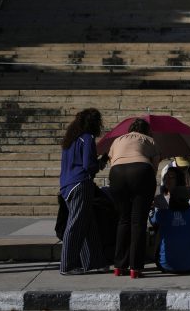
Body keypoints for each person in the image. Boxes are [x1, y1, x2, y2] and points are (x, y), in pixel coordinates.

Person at [107, 118, 161, 278]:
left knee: (123, 220)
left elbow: (112, 160)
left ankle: (119, 266)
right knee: (138, 221)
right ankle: (135, 268)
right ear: (146, 130)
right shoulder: (149, 139)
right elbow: (155, 165)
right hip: (141, 171)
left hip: (116, 173)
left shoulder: (117, 140)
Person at [59, 108, 107, 275]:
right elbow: (88, 166)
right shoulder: (88, 138)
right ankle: (67, 265)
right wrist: (98, 163)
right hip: (81, 184)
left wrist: (98, 162)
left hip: (67, 185)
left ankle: (94, 261)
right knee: (77, 224)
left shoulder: (70, 140)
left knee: (88, 223)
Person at [150, 183, 190, 273]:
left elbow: (152, 220)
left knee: (159, 230)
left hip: (165, 265)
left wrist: (156, 208)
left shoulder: (163, 213)